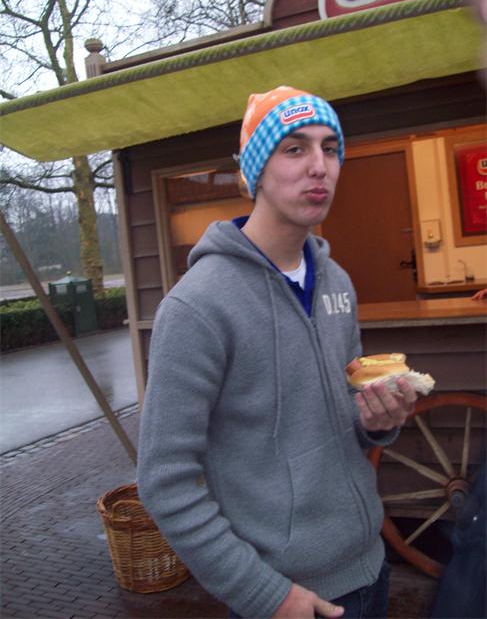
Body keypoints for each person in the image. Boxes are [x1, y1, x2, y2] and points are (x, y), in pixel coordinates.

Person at [137, 86, 417, 619]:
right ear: (255, 172)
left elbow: (344, 421)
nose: (319, 166)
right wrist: (265, 596)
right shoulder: (197, 307)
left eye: (330, 148)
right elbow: (165, 482)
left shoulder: (337, 281)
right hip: (287, 595)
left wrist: (376, 421)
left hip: (371, 564)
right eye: (294, 149)